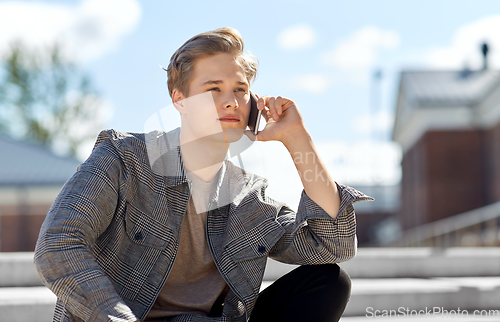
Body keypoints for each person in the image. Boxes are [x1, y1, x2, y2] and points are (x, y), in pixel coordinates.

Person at [34, 27, 373, 322]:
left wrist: (298, 138)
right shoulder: (123, 158)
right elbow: (58, 244)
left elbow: (332, 247)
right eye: (213, 88)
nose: (231, 102)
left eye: (240, 89)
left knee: (328, 282)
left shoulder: (249, 196)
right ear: (179, 100)